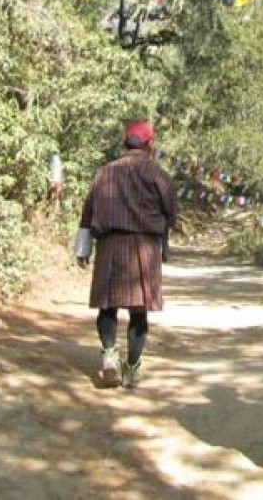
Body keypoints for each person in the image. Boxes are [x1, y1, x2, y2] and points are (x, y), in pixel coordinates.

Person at [74, 119, 177, 388]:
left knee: (107, 307)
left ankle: (109, 354)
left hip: (110, 246)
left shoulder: (105, 172)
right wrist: (165, 243)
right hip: (144, 247)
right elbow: (170, 211)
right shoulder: (157, 174)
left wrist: (82, 249)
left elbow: (88, 212)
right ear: (150, 144)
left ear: (125, 142)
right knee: (138, 312)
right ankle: (131, 368)